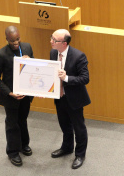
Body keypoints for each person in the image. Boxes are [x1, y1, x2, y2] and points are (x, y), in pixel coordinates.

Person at [0, 26, 34, 167]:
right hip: (11, 96)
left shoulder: (27, 47)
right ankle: (13, 152)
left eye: (17, 39)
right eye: (12, 41)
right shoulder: (1, 54)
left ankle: (24, 144)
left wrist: (30, 61)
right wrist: (10, 93)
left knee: (23, 120)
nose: (16, 43)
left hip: (25, 95)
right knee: (12, 124)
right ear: (6, 39)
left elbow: (34, 68)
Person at [49, 29, 91, 169]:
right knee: (64, 124)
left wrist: (66, 78)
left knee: (79, 127)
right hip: (59, 97)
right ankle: (67, 148)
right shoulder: (53, 52)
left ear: (64, 43)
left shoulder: (79, 56)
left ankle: (80, 154)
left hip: (74, 98)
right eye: (52, 38)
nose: (51, 41)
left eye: (54, 40)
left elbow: (85, 78)